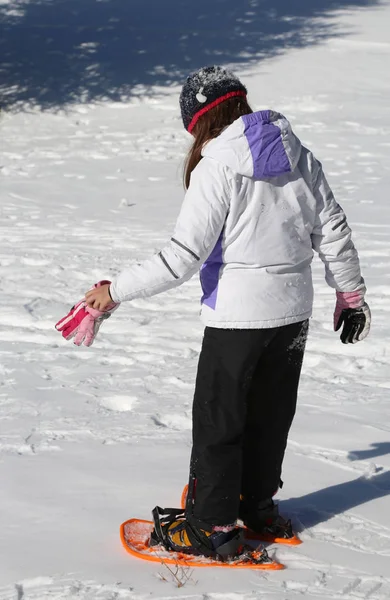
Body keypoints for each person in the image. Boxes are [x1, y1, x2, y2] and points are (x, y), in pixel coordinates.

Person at [56, 66, 371, 560]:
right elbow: (332, 227)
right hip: (291, 314)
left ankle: (213, 527)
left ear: (198, 120)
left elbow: (181, 258)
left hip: (238, 317)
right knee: (270, 414)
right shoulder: (297, 153)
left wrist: (113, 292)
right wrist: (351, 297)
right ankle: (257, 507)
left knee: (219, 421)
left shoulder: (216, 165)